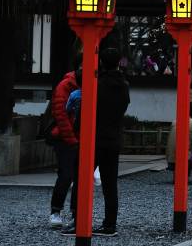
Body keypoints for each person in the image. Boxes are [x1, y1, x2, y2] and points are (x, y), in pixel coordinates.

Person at [90, 48, 131, 236]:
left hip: (95, 135)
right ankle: (110, 223)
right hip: (113, 136)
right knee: (110, 183)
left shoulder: (98, 84)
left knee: (82, 178)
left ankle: (79, 218)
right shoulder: (123, 85)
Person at [48, 67, 81, 228]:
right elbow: (61, 115)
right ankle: (56, 210)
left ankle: (77, 212)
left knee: (79, 177)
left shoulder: (74, 85)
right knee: (66, 175)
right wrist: (72, 139)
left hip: (77, 136)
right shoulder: (65, 86)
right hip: (65, 137)